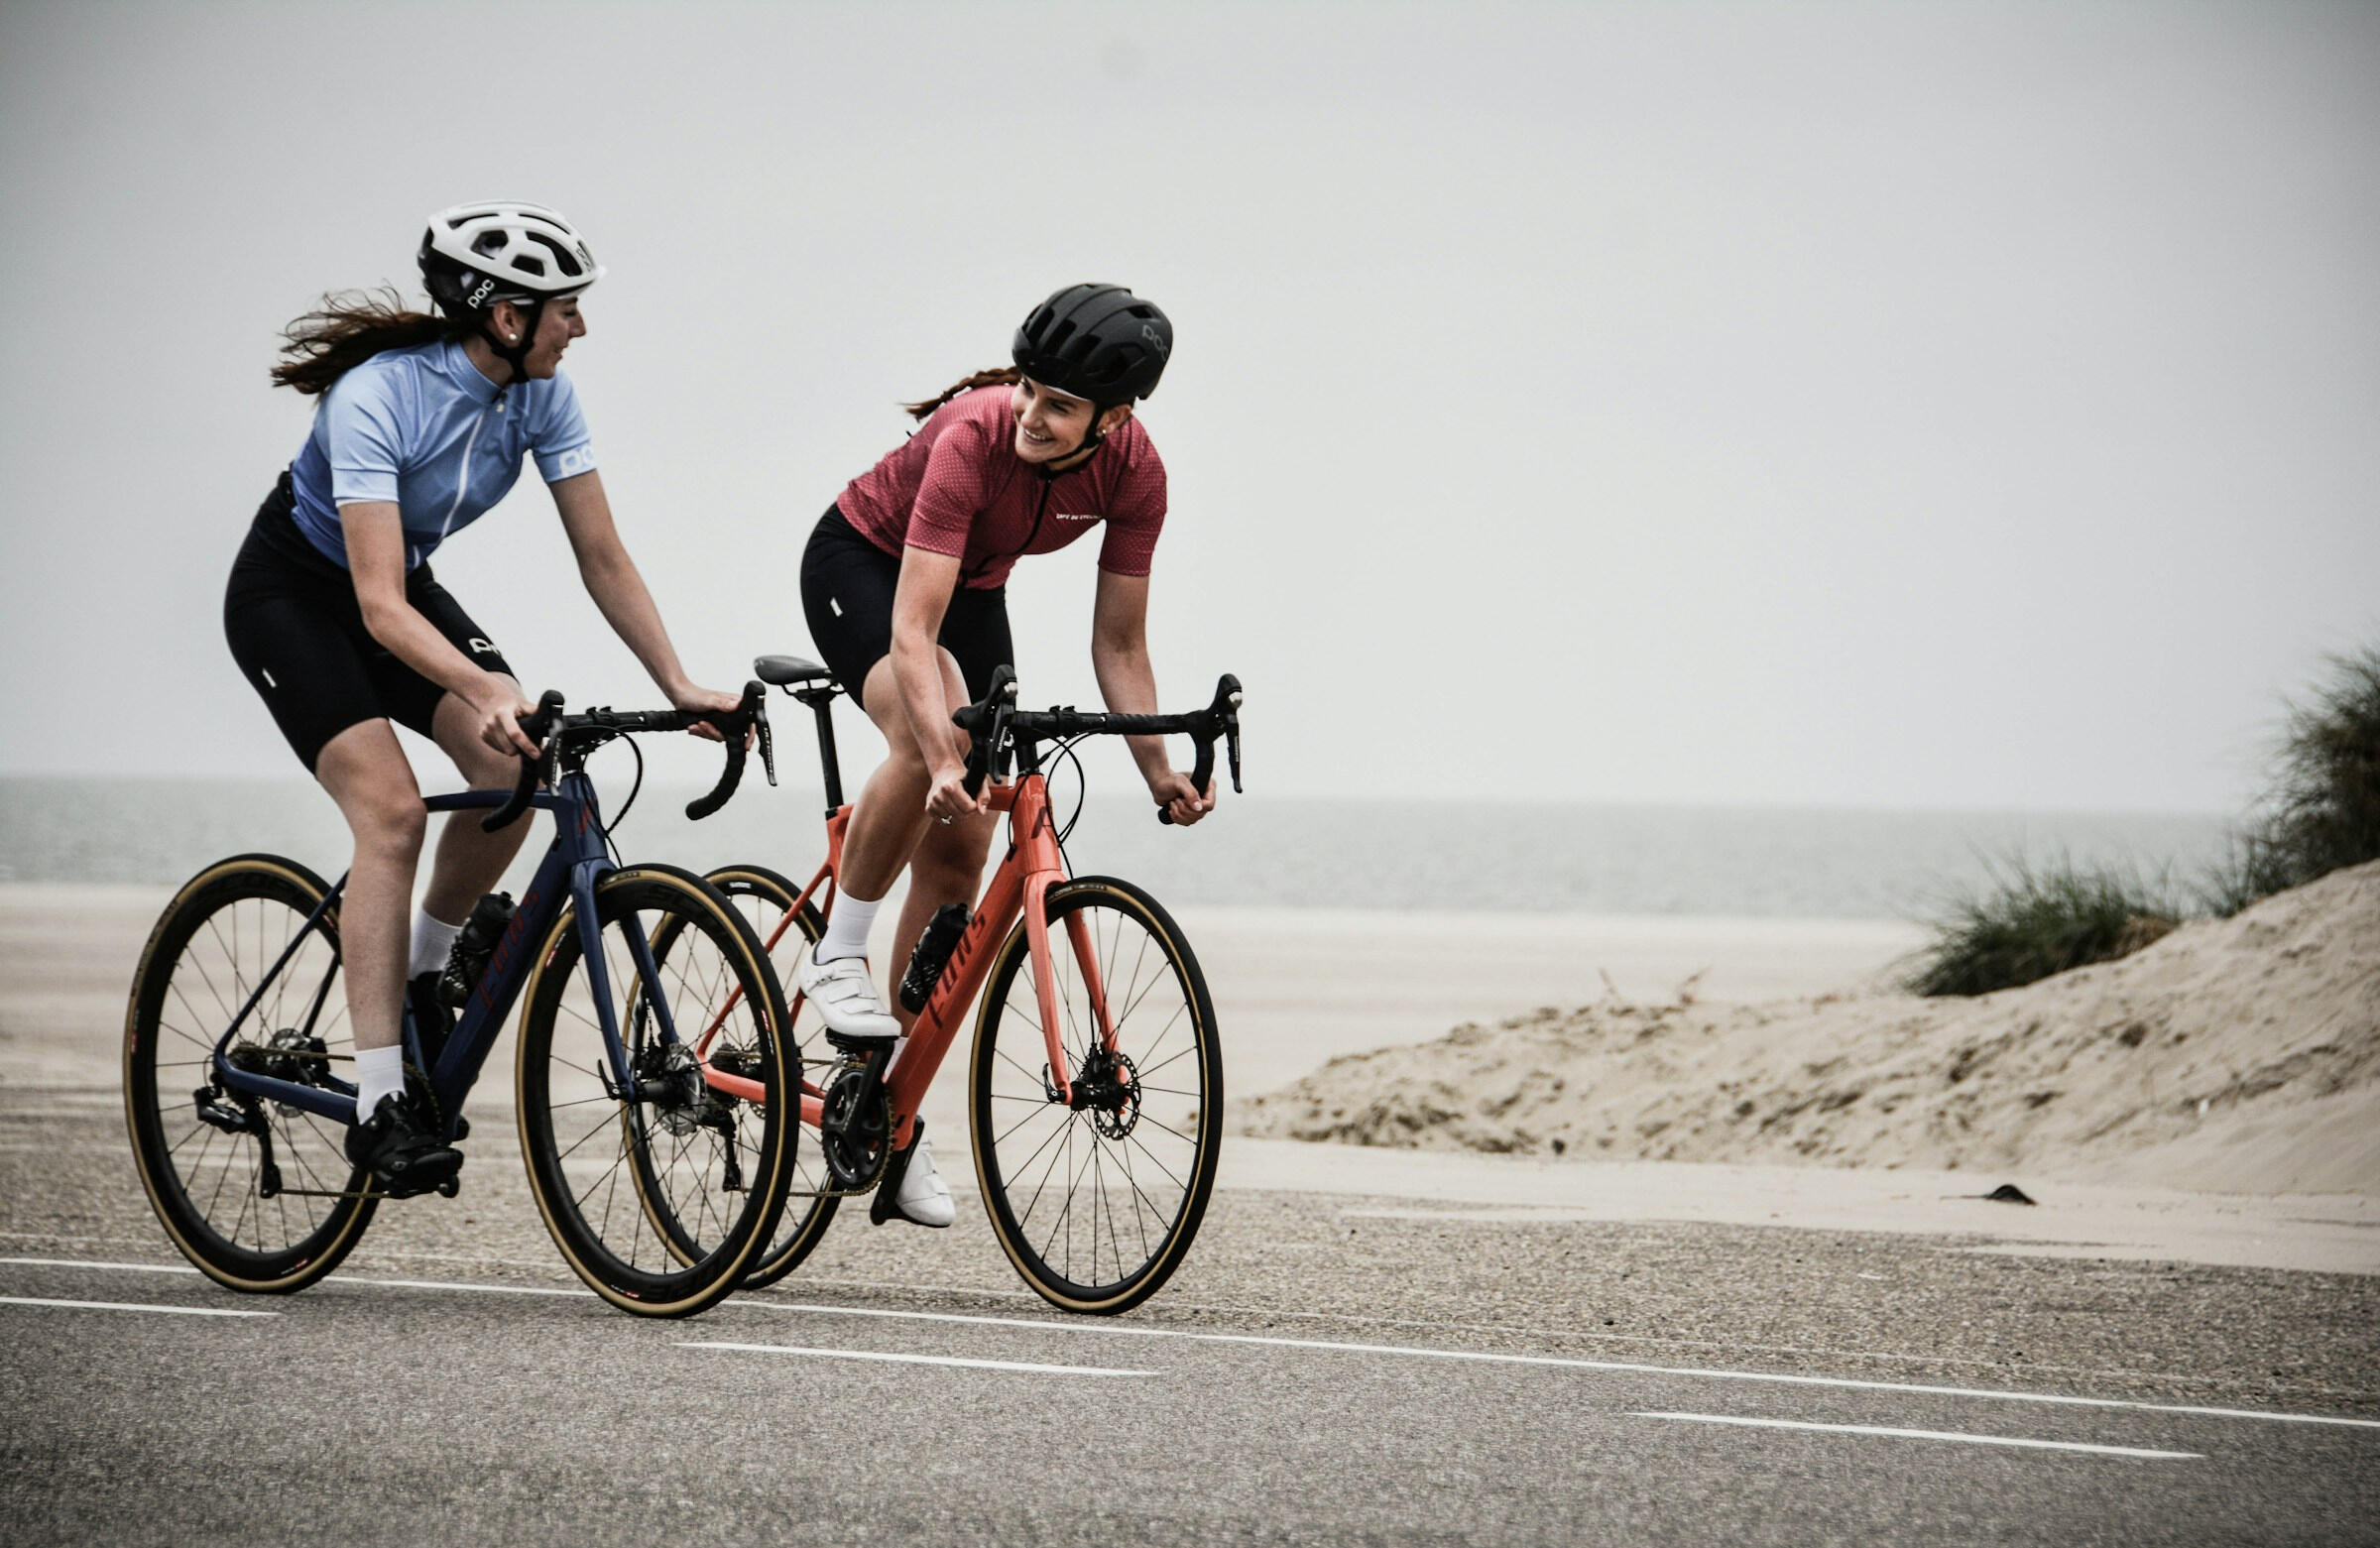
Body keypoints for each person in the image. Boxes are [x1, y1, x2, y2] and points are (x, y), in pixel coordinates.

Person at [223, 201, 743, 1195]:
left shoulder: (544, 396)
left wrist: (676, 683)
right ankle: (380, 1101)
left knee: (515, 760)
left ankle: (424, 972)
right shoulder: (376, 398)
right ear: (507, 316)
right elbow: (378, 607)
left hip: (396, 589)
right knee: (391, 814)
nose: (580, 326)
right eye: (565, 309)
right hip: (293, 598)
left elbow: (602, 554)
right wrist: (480, 680)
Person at [795, 283, 1211, 1228]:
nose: (1029, 413)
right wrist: (942, 753)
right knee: (929, 735)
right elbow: (912, 632)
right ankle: (838, 948)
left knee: (963, 851)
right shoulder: (972, 436)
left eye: (1058, 404)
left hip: (973, 588)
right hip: (862, 564)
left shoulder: (1137, 476)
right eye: (1027, 388)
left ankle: (893, 1116)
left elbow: (1121, 645)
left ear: (1114, 419)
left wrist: (1159, 771)